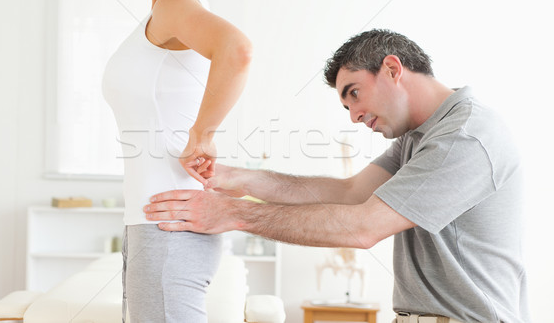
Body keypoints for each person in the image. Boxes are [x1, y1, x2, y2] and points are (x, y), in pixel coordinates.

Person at [144, 29, 530, 322]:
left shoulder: (463, 138)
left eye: (355, 93)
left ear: (392, 69)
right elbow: (350, 192)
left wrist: (233, 214)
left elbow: (362, 227)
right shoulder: (420, 136)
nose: (354, 116)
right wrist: (240, 179)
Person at [102, 0, 252, 321]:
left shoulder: (174, 5)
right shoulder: (164, 13)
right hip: (154, 223)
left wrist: (202, 134)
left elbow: (237, 50)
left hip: (166, 227)